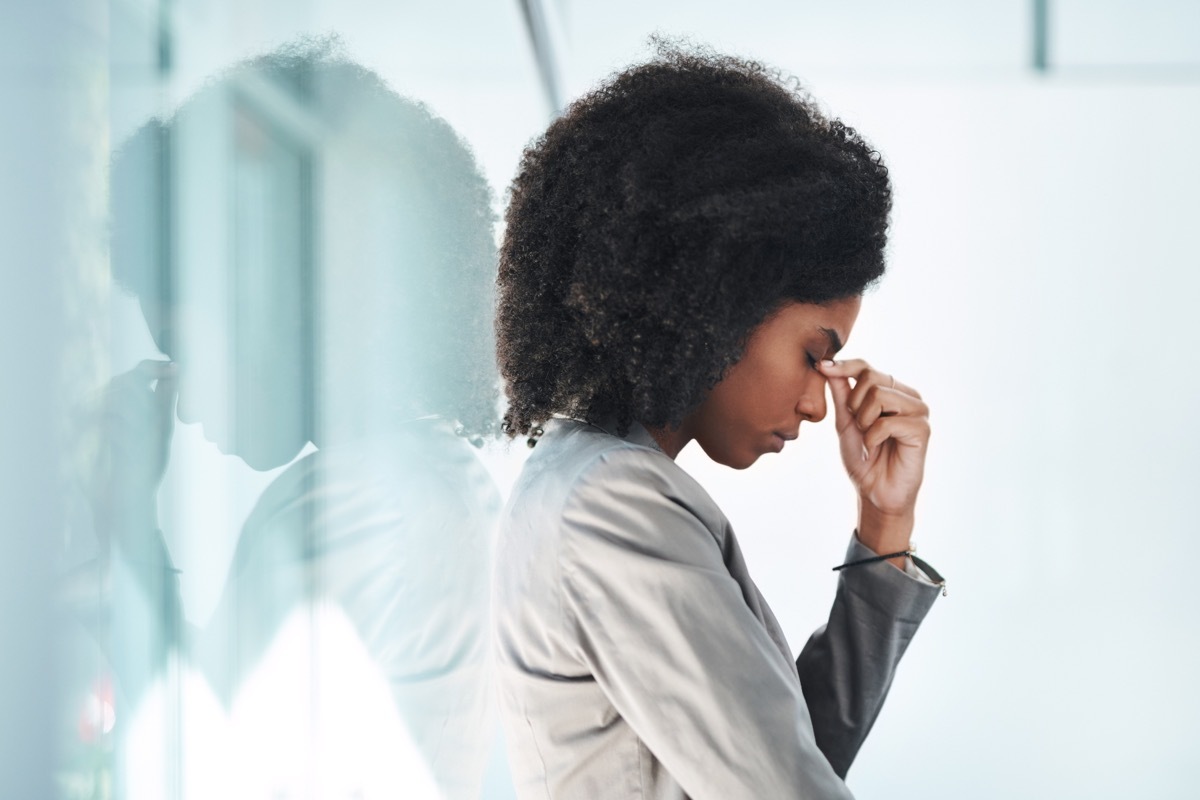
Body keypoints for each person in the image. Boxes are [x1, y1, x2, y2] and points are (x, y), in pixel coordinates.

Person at [492, 43, 945, 799]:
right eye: (813, 354)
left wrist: (882, 525)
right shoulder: (613, 505)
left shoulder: (589, 477)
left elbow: (791, 751)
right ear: (716, 298)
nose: (814, 403)